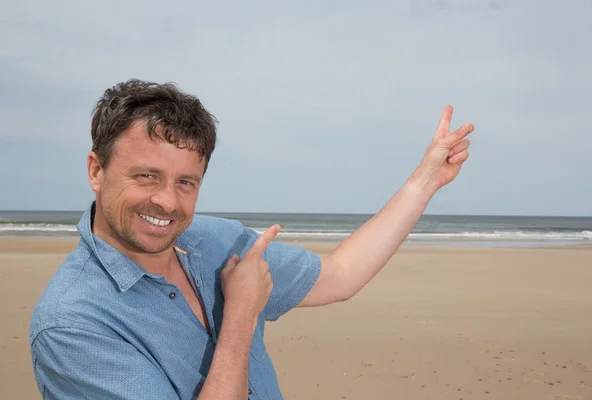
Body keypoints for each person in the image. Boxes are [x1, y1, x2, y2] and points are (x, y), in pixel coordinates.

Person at [29, 79, 474, 400]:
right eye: (146, 176)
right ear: (95, 170)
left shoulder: (217, 242)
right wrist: (240, 314)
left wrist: (426, 181)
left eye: (186, 182)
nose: (167, 201)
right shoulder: (71, 324)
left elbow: (340, 276)